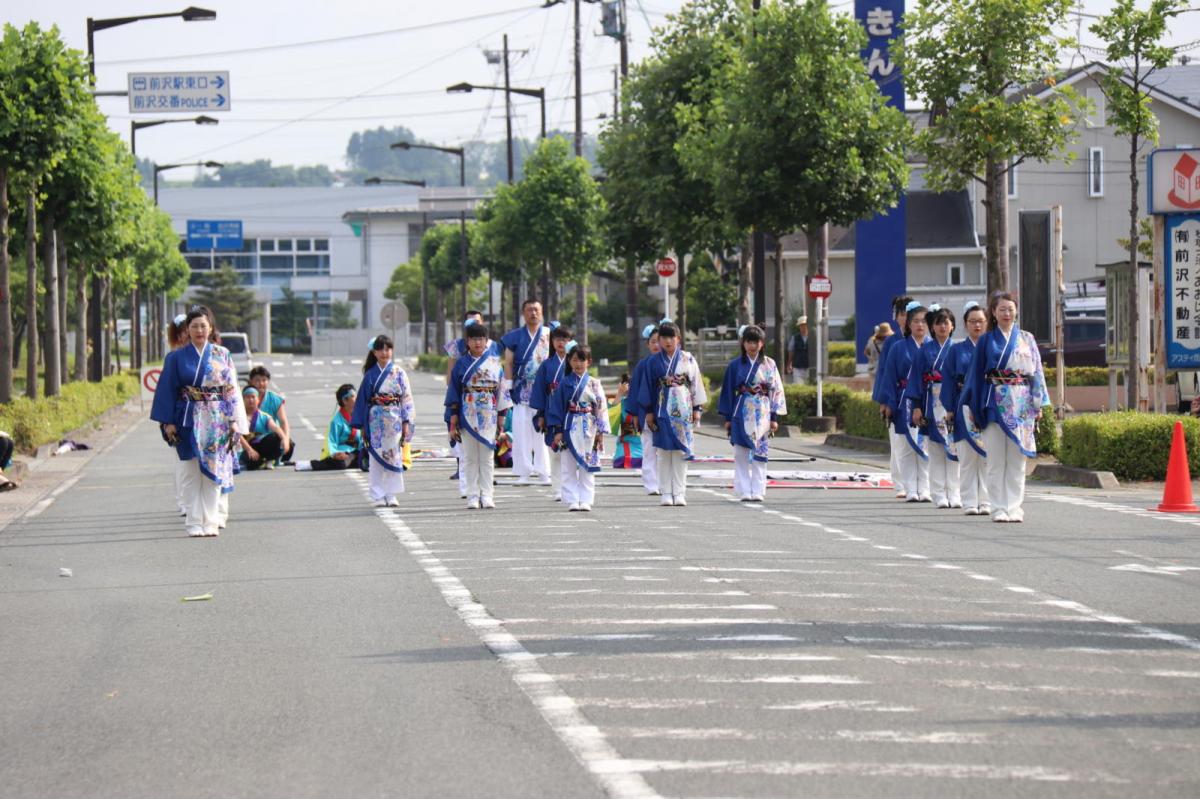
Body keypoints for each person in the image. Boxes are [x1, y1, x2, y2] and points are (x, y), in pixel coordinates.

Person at [150, 308, 248, 537]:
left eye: (203, 326)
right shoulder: (175, 358)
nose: (199, 330)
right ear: (187, 330)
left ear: (211, 328)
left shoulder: (223, 354)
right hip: (187, 418)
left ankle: (212, 521)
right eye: (194, 326)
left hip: (217, 420)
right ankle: (194, 521)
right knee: (191, 471)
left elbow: (231, 390)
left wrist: (235, 420)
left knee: (214, 473)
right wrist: (167, 422)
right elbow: (166, 390)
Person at [962, 291, 1050, 523]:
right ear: (993, 312)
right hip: (993, 402)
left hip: (1021, 405)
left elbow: (1037, 373)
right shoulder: (985, 341)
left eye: (1010, 309)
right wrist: (973, 404)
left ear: (1016, 311)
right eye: (1002, 309)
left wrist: (1038, 403)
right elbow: (975, 376)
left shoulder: (1027, 339)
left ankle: (1014, 507)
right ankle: (998, 507)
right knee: (995, 460)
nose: (1007, 313)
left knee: (1017, 461)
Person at [638, 321, 707, 507]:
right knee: (663, 452)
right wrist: (649, 412)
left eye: (671, 337)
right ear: (659, 340)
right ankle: (666, 492)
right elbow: (648, 388)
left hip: (683, 412)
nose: (668, 341)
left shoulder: (688, 359)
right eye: (664, 338)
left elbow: (695, 385)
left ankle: (680, 492)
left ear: (678, 339)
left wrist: (696, 409)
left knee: (680, 453)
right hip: (661, 410)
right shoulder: (653, 362)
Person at [718, 324, 786, 503]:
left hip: (762, 412)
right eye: (749, 341)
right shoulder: (734, 365)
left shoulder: (769, 364)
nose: (752, 346)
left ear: (762, 343)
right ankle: (744, 490)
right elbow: (727, 392)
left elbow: (776, 390)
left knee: (760, 453)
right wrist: (727, 418)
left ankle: (758, 489)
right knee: (741, 452)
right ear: (743, 343)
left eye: (755, 342)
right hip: (742, 410)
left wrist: (774, 417)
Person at [446, 323, 510, 509]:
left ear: (486, 341)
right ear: (468, 342)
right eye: (474, 339)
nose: (478, 342)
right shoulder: (460, 365)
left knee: (487, 458)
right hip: (468, 415)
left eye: (481, 339)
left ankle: (487, 495)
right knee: (470, 458)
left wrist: (501, 421)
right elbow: (454, 393)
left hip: (489, 417)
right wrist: (453, 419)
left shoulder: (494, 364)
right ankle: (472, 495)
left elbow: (502, 394)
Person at [350, 335, 415, 508]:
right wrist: (363, 425)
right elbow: (362, 400)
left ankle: (391, 493)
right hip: (375, 421)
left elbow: (406, 398)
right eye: (381, 349)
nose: (384, 353)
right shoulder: (370, 374)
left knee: (394, 456)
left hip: (394, 419)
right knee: (376, 458)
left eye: (388, 349)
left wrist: (406, 422)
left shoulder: (399, 373)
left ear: (392, 351)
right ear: (375, 352)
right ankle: (378, 494)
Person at [906, 306, 961, 509]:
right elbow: (915, 381)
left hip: (952, 403)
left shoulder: (957, 349)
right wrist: (917, 406)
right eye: (938, 323)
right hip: (931, 401)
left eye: (946, 322)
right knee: (937, 450)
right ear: (932, 327)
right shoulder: (924, 352)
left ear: (952, 326)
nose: (942, 326)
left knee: (954, 450)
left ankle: (954, 493)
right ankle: (939, 494)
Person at [941, 301, 990, 515]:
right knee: (968, 458)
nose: (977, 326)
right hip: (963, 407)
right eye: (972, 322)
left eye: (980, 321)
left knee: (988, 458)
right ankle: (970, 501)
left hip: (988, 406)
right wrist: (950, 408)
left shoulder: (992, 347)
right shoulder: (956, 350)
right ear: (965, 324)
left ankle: (987, 501)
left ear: (987, 323)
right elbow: (948, 381)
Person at [880, 300, 931, 503]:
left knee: (926, 446)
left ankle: (925, 488)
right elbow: (889, 377)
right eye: (916, 321)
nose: (920, 325)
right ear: (909, 324)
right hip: (903, 402)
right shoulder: (898, 347)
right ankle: (910, 487)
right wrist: (888, 404)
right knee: (905, 447)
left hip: (928, 402)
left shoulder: (934, 347)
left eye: (924, 321)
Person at [548, 344, 608, 512]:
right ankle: (572, 499)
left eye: (582, 360)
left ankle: (586, 499)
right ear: (569, 361)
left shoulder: (595, 383)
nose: (579, 363)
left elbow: (601, 408)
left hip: (589, 426)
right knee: (568, 465)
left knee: (587, 466)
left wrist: (601, 432)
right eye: (575, 359)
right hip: (570, 425)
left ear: (589, 361)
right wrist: (558, 430)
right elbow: (557, 407)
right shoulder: (564, 383)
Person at [501, 300, 552, 485]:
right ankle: (523, 471)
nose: (533, 313)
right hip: (521, 391)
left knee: (541, 433)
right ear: (523, 313)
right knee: (521, 433)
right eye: (530, 310)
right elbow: (508, 362)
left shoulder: (549, 334)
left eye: (536, 310)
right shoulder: (513, 336)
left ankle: (544, 471)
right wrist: (508, 386)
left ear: (542, 311)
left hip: (544, 392)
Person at [873, 295, 914, 498]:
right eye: (902, 315)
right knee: (898, 442)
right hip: (897, 396)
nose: (905, 319)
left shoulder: (926, 340)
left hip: (919, 398)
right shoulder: (892, 342)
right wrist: (884, 401)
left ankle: (919, 482)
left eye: (909, 315)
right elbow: (884, 373)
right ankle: (901, 484)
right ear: (896, 317)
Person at [530, 325, 572, 501]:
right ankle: (557, 489)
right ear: (552, 342)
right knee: (554, 452)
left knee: (571, 452)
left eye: (564, 339)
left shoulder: (575, 363)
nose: (560, 343)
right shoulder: (547, 365)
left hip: (572, 413)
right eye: (557, 339)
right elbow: (540, 390)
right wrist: (540, 415)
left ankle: (570, 487)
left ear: (570, 342)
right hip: (551, 412)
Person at [445, 311, 485, 491]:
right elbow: (451, 374)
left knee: (484, 450)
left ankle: (483, 487)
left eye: (477, 321)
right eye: (470, 322)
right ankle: (466, 485)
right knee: (463, 445)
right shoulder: (456, 346)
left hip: (485, 405)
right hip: (464, 399)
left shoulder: (489, 345)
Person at [295, 384, 362, 471]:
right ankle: (309, 465)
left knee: (367, 457)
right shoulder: (336, 421)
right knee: (341, 464)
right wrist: (335, 454)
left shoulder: (358, 417)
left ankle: (351, 461)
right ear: (345, 401)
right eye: (353, 396)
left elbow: (361, 439)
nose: (356, 398)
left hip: (353, 452)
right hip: (338, 453)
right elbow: (330, 441)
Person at [629, 324, 662, 495]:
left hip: (665, 412)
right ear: (648, 344)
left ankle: (664, 482)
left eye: (659, 341)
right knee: (649, 448)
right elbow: (634, 390)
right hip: (645, 412)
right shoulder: (643, 365)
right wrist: (634, 413)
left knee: (665, 450)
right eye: (653, 342)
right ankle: (651, 484)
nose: (657, 345)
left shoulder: (669, 363)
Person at [247, 366, 295, 465]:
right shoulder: (244, 397)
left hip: (270, 438)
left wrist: (285, 439)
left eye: (264, 380)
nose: (261, 384)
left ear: (268, 381)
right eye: (257, 380)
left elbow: (283, 422)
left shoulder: (275, 399)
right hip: (250, 439)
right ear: (251, 382)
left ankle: (271, 458)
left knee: (288, 444)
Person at [238, 386, 290, 471]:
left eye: (253, 397)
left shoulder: (264, 417)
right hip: (244, 448)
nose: (251, 400)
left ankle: (269, 459)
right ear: (242, 400)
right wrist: (249, 449)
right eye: (247, 397)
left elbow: (276, 428)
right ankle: (260, 462)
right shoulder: (238, 417)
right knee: (252, 463)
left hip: (259, 446)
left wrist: (285, 439)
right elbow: (237, 434)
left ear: (258, 400)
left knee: (276, 437)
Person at [610, 373, 643, 469]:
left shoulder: (644, 402)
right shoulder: (622, 403)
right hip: (627, 442)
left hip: (644, 442)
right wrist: (619, 393)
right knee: (622, 461)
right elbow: (611, 418)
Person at [785, 316, 809, 383]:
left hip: (810, 367)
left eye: (805, 325)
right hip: (797, 367)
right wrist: (789, 363)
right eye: (801, 326)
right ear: (799, 327)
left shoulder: (813, 337)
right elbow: (791, 351)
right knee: (798, 385)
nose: (803, 327)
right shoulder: (795, 338)